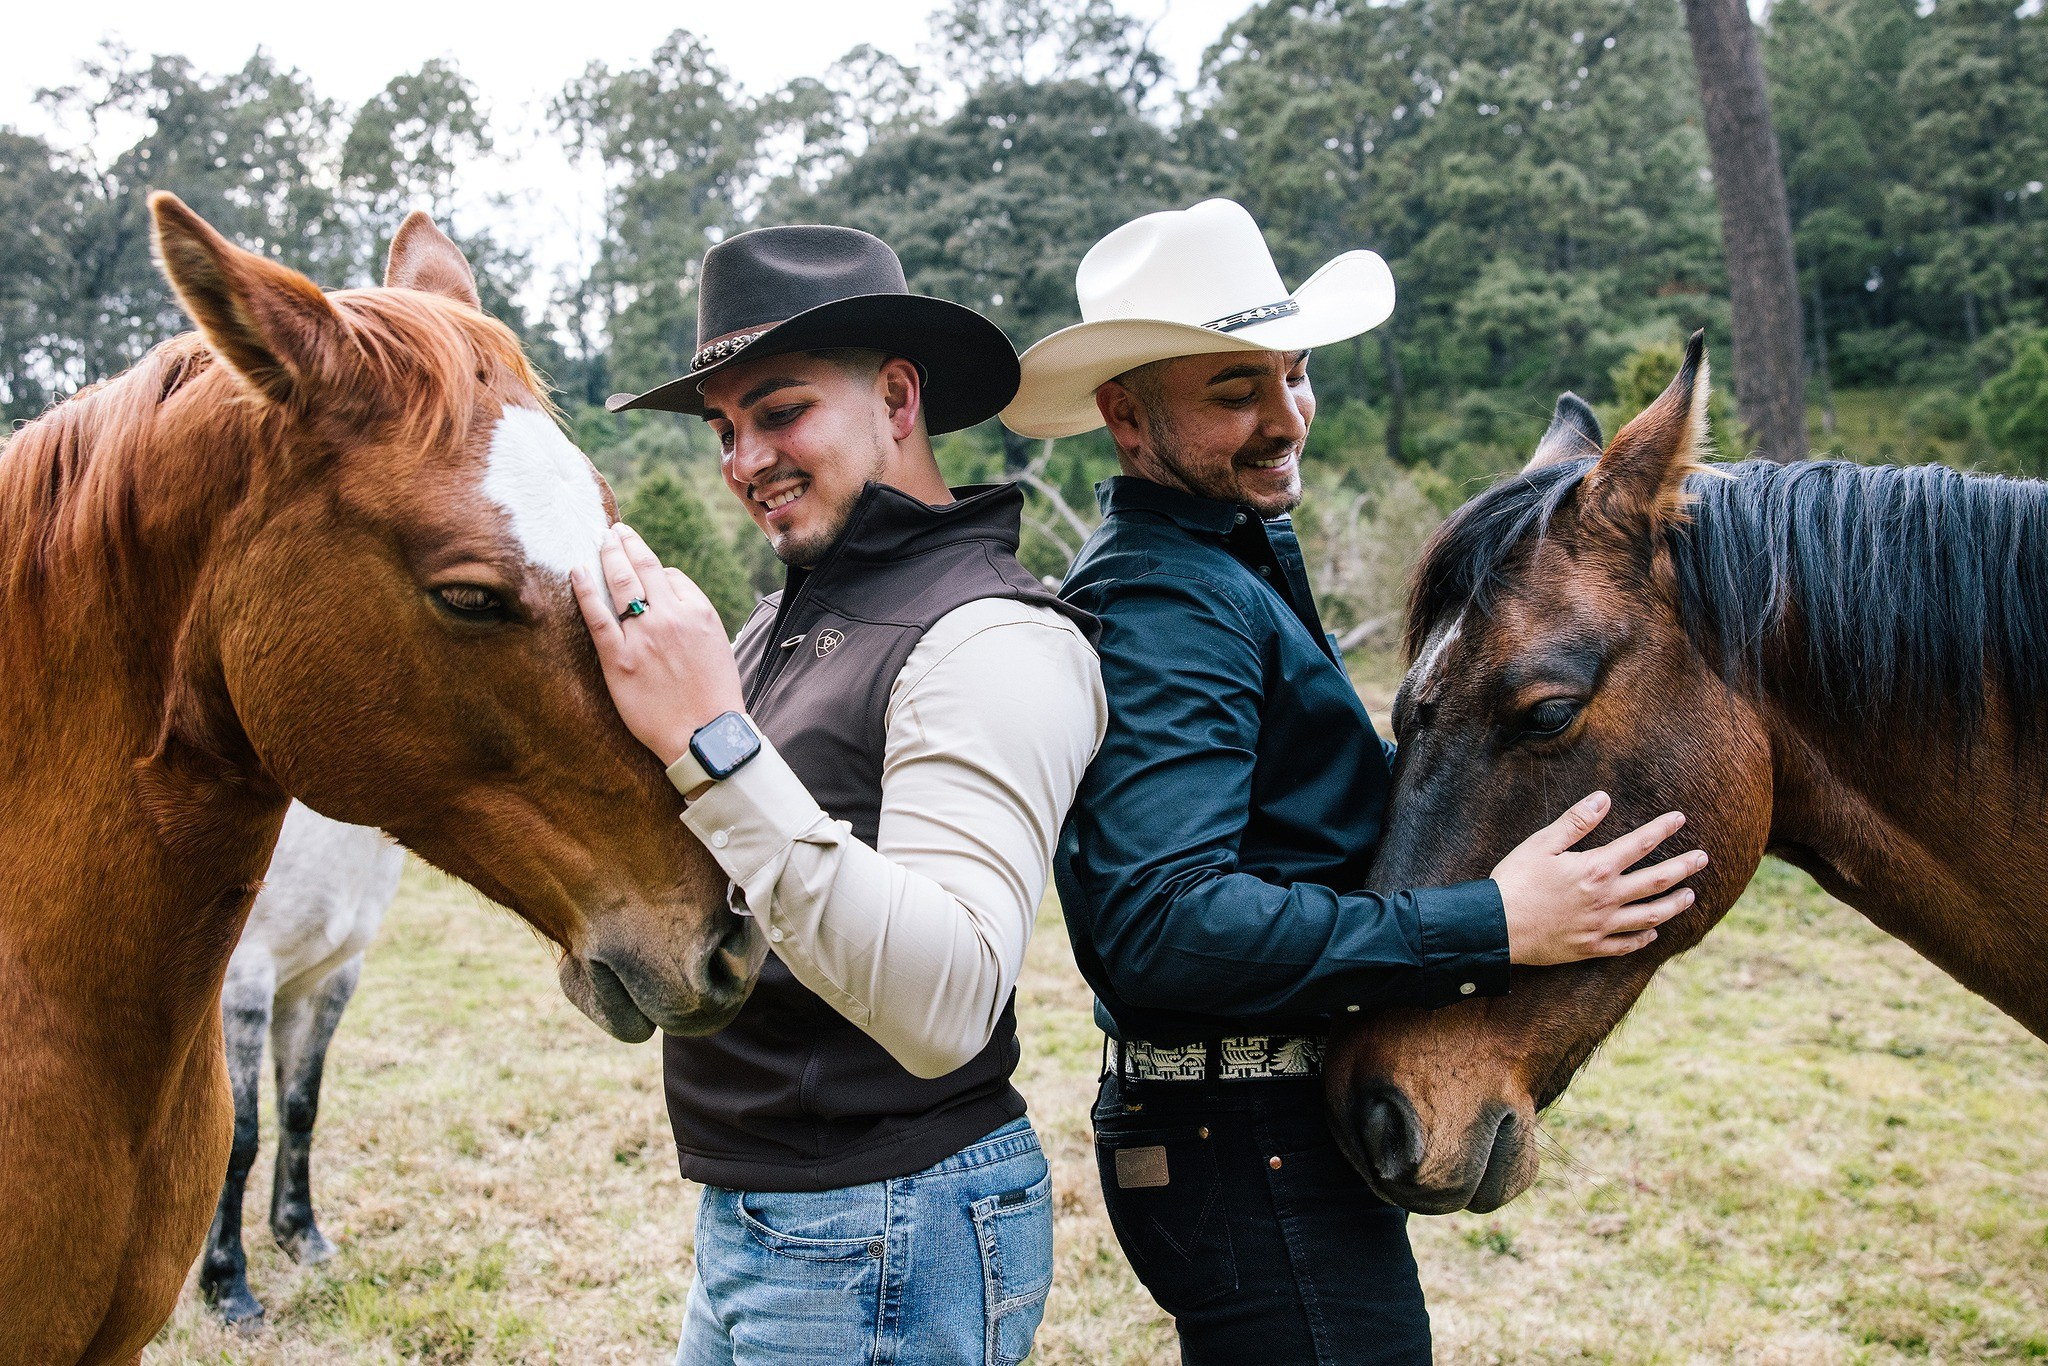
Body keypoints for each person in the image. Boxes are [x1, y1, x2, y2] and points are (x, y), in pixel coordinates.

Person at [1002, 198, 1708, 1364]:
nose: (1284, 418)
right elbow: (1159, 923)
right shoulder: (1164, 602)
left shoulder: (1220, 560)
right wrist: (1491, 922)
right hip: (1243, 1137)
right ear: (1124, 416)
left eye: (1295, 372)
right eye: (1235, 390)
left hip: (1247, 1129)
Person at [574, 223, 1106, 1365]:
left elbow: (946, 1003)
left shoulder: (989, 634)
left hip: (885, 1220)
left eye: (778, 412)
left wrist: (712, 738)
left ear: (898, 397)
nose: (741, 458)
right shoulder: (779, 620)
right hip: (771, 1212)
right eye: (724, 428)